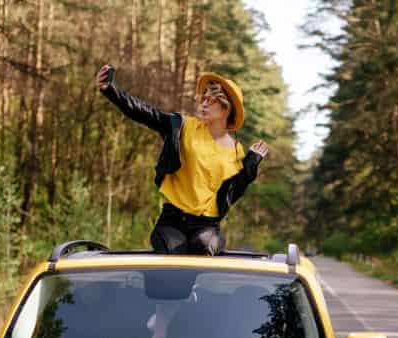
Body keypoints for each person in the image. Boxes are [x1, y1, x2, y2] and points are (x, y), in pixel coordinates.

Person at [95, 64, 270, 255]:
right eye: (203, 98)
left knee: (204, 248)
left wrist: (249, 169)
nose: (203, 103)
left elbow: (231, 195)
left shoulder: (236, 152)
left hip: (206, 225)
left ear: (226, 108)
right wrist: (110, 90)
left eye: (211, 100)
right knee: (173, 251)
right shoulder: (183, 126)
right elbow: (144, 112)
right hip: (172, 219)